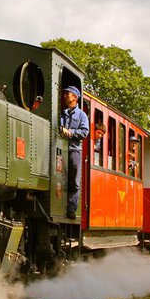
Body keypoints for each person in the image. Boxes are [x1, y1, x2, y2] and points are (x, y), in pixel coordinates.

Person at [58, 86, 89, 217]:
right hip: (61, 149)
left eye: (67, 94)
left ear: (75, 97)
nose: (65, 96)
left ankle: (71, 208)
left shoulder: (82, 115)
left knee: (74, 182)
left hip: (74, 150)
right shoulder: (62, 114)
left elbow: (85, 132)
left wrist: (70, 133)